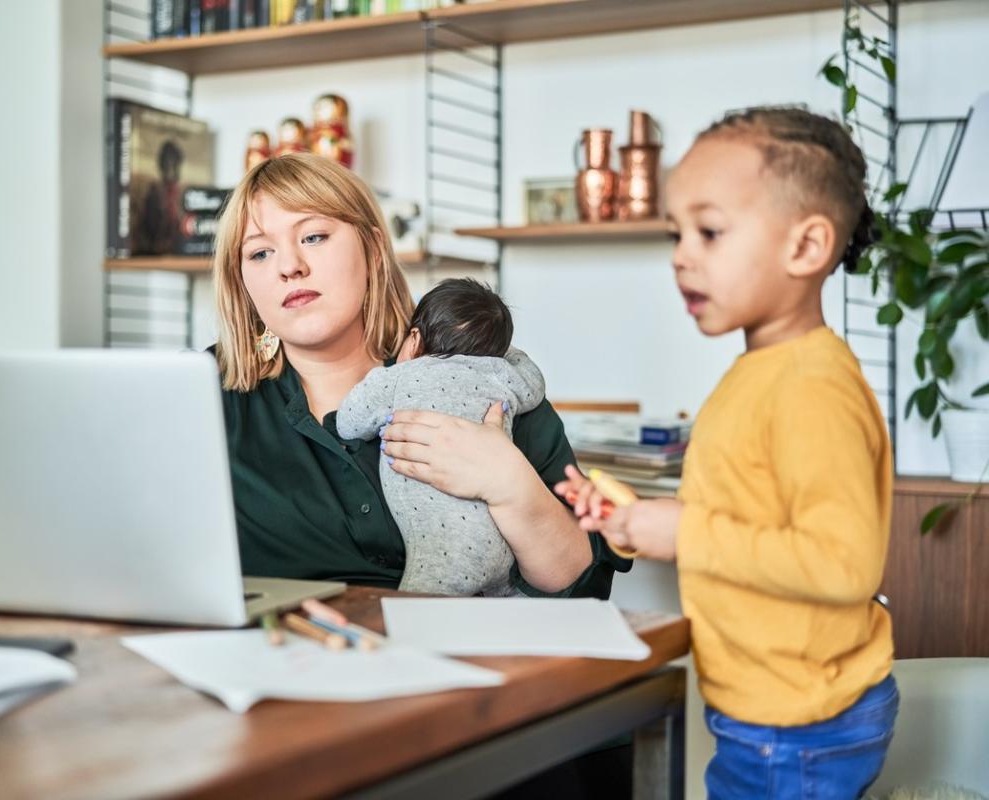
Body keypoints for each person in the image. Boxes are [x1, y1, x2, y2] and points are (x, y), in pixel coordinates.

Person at [557, 107, 898, 799]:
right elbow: (750, 514)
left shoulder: (812, 387)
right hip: (772, 710)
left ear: (806, 248)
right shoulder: (763, 371)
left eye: (710, 232)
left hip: (800, 725)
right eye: (677, 233)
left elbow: (843, 563)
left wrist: (686, 531)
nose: (683, 254)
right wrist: (643, 520)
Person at [210, 152, 630, 598]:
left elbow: (585, 591)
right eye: (259, 252)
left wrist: (510, 485)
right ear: (241, 281)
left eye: (313, 236)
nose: (288, 266)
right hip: (280, 654)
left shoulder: (479, 370)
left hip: (461, 656)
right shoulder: (202, 397)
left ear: (373, 249)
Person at [336, 278, 546, 596]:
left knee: (415, 614)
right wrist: (496, 349)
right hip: (503, 546)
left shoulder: (400, 376)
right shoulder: (500, 374)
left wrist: (384, 373)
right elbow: (535, 382)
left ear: (415, 339)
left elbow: (348, 423)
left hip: (443, 547)